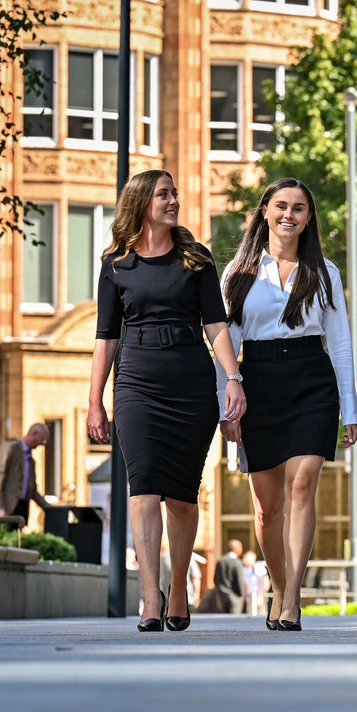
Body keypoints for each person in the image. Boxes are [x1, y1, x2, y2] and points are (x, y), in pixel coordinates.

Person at [88, 169, 246, 633]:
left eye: (175, 193)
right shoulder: (115, 264)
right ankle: (150, 596)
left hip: (190, 384)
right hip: (136, 384)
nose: (174, 200)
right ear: (141, 203)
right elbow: (105, 338)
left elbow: (215, 324)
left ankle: (178, 588)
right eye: (164, 194)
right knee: (143, 489)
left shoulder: (195, 259)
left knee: (180, 495)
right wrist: (95, 400)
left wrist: (233, 378)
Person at [216, 177, 357, 632]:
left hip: (311, 379)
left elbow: (339, 343)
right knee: (266, 507)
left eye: (299, 208)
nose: (289, 215)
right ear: (264, 212)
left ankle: (292, 597)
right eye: (281, 206)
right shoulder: (238, 272)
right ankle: (278, 587)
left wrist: (350, 409)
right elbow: (224, 342)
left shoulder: (325, 273)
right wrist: (228, 405)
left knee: (303, 485)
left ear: (308, 218)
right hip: (257, 380)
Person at [0, 423, 51, 525]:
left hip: (22, 507)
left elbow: (32, 490)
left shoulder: (31, 461)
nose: (42, 444)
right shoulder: (10, 448)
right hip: (7, 508)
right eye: (42, 440)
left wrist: (48, 508)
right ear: (33, 434)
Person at [213, 539, 245, 614]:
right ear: (236, 548)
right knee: (234, 620)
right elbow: (239, 580)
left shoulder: (221, 560)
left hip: (221, 595)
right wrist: (241, 593)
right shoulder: (237, 562)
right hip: (234, 596)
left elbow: (215, 579)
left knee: (223, 620)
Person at [241, 550, 267, 616]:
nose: (244, 559)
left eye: (246, 558)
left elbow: (264, 583)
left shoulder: (259, 568)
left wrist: (261, 596)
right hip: (248, 595)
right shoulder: (243, 569)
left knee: (260, 614)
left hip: (258, 594)